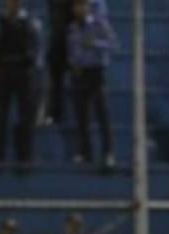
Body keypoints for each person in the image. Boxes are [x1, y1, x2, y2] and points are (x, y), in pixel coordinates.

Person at [0, 0, 43, 163]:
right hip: (3, 72)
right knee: (0, 116)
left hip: (24, 74)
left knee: (25, 117)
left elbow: (37, 48)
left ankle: (25, 155)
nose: (13, 5)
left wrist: (32, 63)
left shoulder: (30, 23)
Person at [68, 0, 118, 169]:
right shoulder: (73, 28)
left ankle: (108, 152)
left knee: (102, 114)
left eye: (82, 5)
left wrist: (95, 44)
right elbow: (72, 50)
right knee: (82, 116)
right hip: (79, 73)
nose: (79, 9)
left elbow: (113, 44)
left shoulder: (99, 24)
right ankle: (85, 152)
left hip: (95, 72)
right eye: (76, 6)